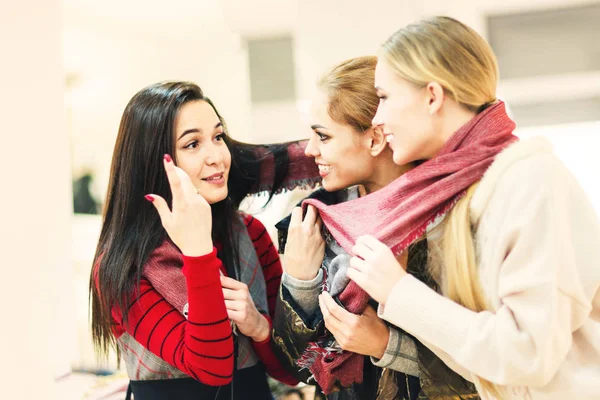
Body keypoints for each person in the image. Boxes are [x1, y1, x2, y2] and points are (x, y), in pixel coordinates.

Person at [301, 17, 600, 400]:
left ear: (432, 96)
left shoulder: (531, 180)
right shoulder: (455, 195)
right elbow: (482, 368)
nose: (378, 118)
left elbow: (527, 358)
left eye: (386, 97)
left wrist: (398, 291)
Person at [89, 81, 318, 399]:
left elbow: (295, 372)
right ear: (155, 161)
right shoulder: (124, 267)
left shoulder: (250, 235)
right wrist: (198, 254)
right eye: (193, 144)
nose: (217, 157)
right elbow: (212, 367)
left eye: (218, 137)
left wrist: (259, 327)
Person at [272, 56, 475, 400]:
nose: (310, 150)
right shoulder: (313, 220)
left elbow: (488, 364)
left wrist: (385, 344)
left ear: (376, 139)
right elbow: (299, 368)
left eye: (323, 136)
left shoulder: (451, 220)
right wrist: (298, 281)